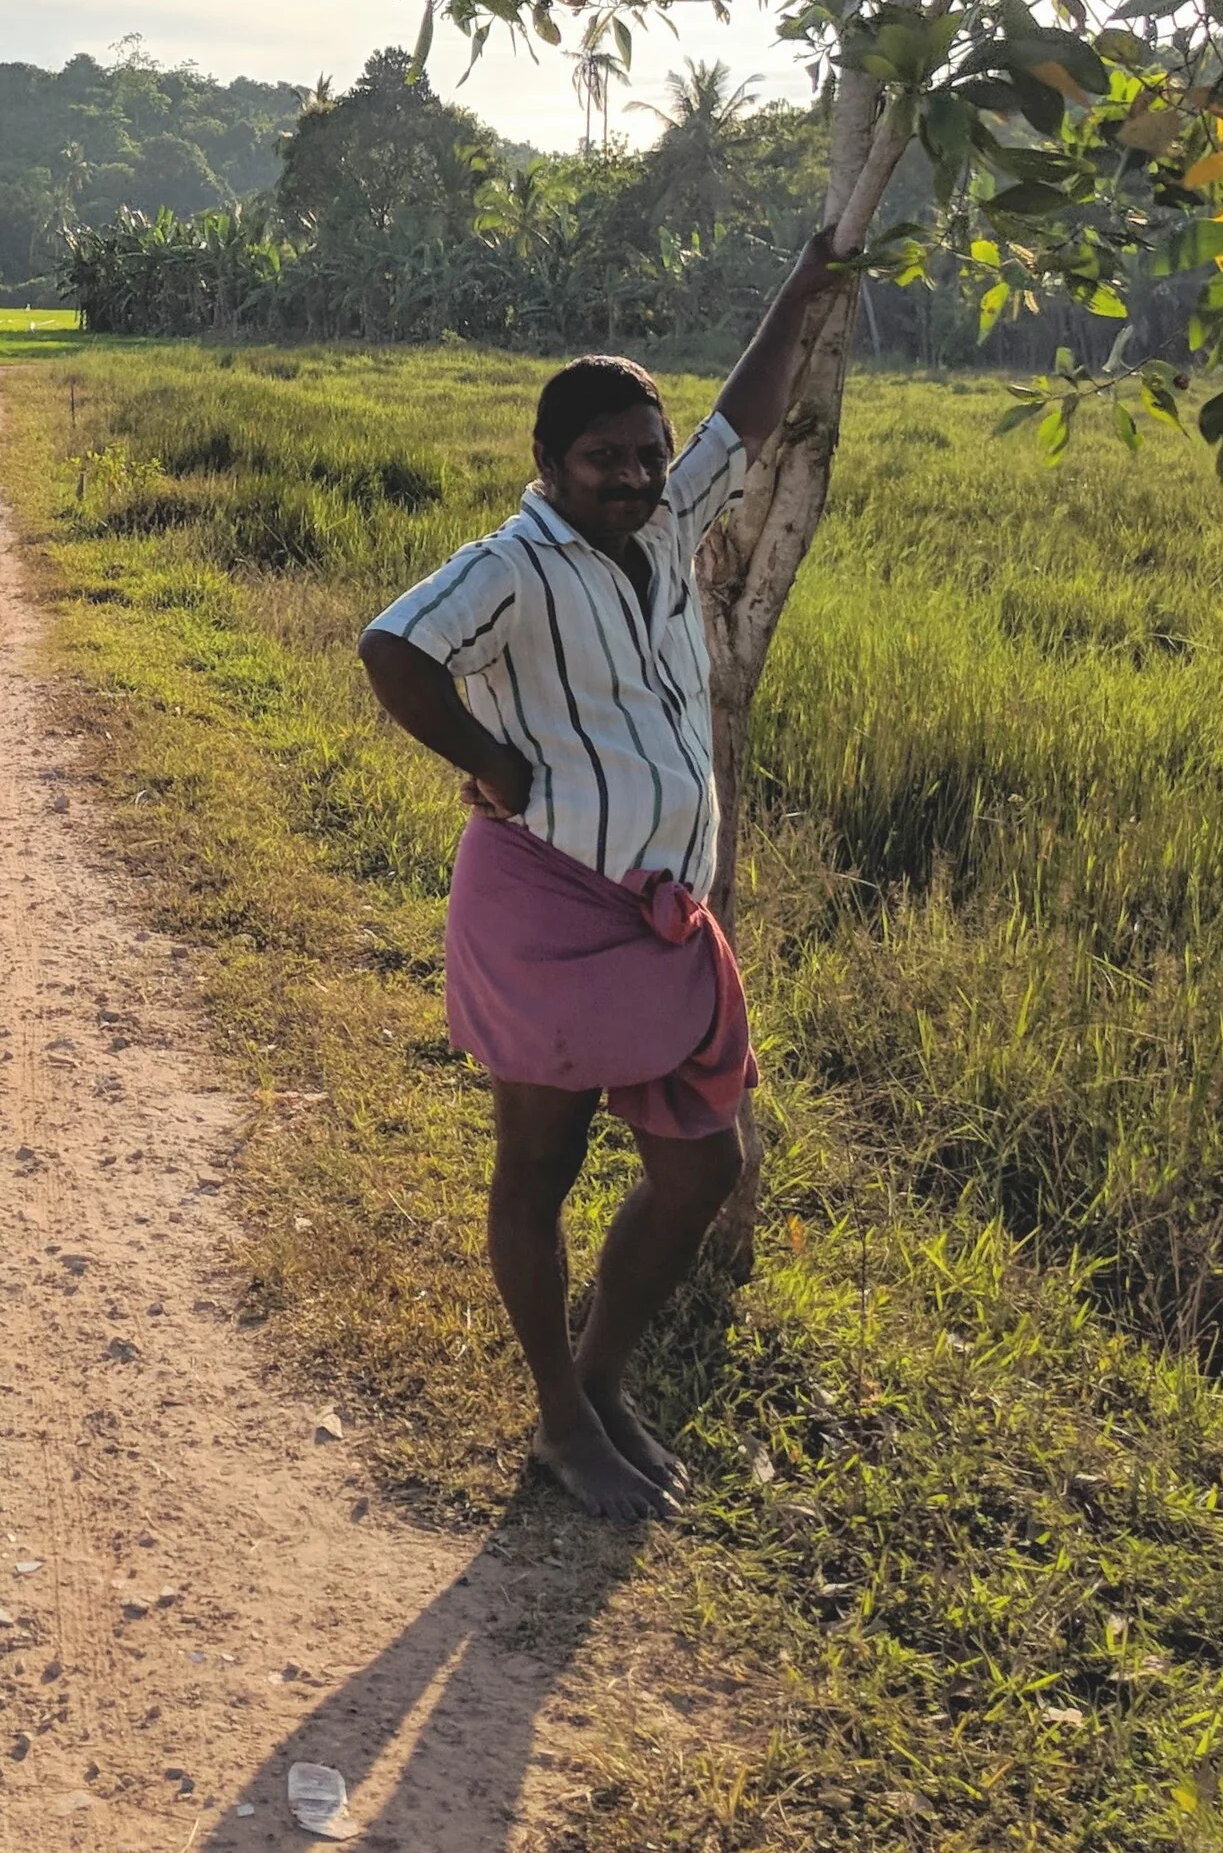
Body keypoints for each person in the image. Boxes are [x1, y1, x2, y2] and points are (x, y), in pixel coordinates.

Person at [359, 227, 838, 1521]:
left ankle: (601, 1374)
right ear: (549, 466)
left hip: (661, 910)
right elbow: (394, 645)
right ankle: (562, 1420)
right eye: (604, 459)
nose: (633, 476)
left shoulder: (671, 515)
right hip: (550, 908)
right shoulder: (512, 564)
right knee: (541, 1165)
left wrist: (804, 280)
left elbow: (748, 411)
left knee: (700, 1167)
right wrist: (491, 760)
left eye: (644, 451)